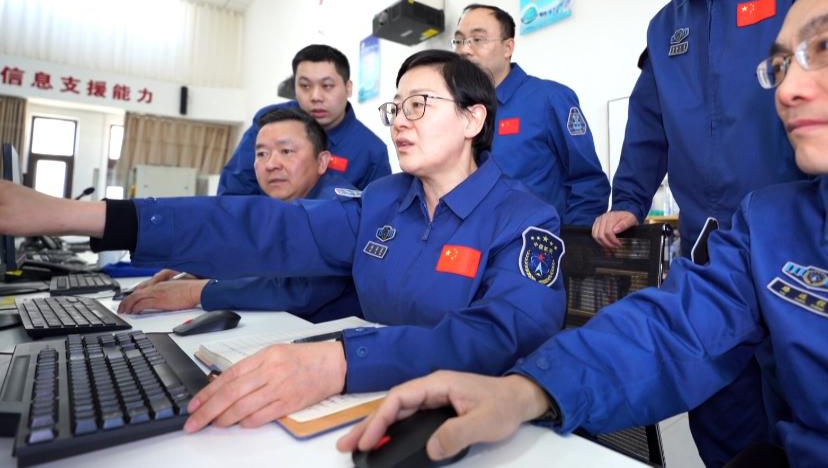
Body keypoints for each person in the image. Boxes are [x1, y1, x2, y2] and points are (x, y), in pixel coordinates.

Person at [340, 0, 828, 465]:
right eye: (781, 62)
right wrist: (527, 390)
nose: (787, 88)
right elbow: (668, 330)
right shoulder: (774, 225)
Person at [0, 50, 565, 432]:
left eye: (419, 105)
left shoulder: (524, 219)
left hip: (478, 425)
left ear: (472, 120)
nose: (399, 121)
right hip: (369, 403)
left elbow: (500, 336)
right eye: (396, 107)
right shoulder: (384, 200)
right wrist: (83, 215)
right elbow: (267, 228)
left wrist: (341, 362)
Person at [589, 0, 828, 463]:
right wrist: (629, 199)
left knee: (820, 428)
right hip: (709, 263)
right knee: (725, 427)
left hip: (814, 256)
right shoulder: (668, 25)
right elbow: (648, 122)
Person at [118, 107, 361, 323]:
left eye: (286, 151)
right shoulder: (288, 203)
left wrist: (194, 291)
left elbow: (300, 290)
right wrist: (202, 269)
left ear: (322, 161)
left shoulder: (336, 209)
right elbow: (263, 257)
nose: (271, 164)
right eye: (261, 153)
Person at [453, 4, 610, 226]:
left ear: (508, 47)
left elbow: (589, 183)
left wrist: (567, 241)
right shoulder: (456, 110)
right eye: (459, 41)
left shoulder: (549, 99)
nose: (464, 50)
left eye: (477, 39)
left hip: (535, 243)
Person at [218, 44, 391, 195]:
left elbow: (377, 213)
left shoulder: (371, 152)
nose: (315, 96)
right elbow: (234, 192)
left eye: (327, 86)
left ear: (348, 88)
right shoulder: (268, 124)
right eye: (305, 86)